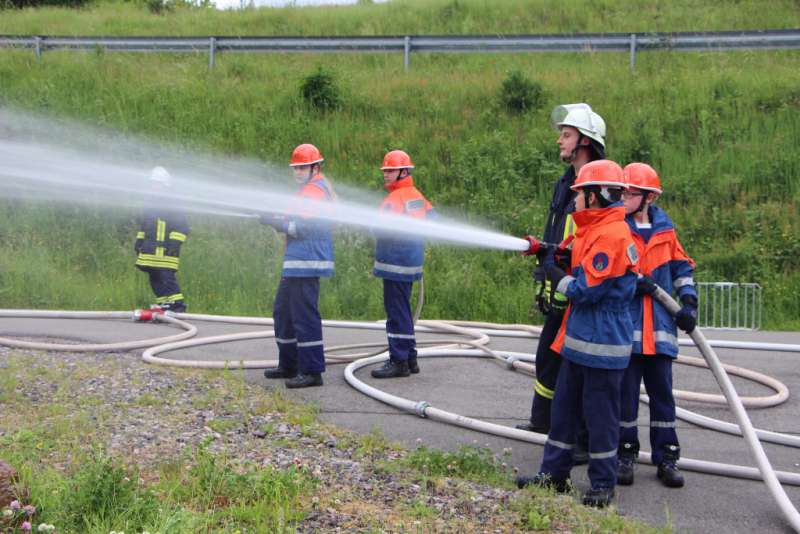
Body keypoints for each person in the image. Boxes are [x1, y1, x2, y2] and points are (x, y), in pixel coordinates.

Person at [516, 159, 638, 509]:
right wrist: (548, 251)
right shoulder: (592, 228)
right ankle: (554, 475)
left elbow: (586, 290)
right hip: (578, 342)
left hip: (602, 345)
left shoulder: (613, 235)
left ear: (596, 195)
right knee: (563, 413)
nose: (574, 201)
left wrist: (554, 273)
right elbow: (575, 255)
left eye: (579, 194)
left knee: (600, 420)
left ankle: (602, 484)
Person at [518, 103, 607, 463]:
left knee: (579, 365)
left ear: (585, 141)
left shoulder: (597, 184)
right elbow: (556, 234)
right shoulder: (566, 183)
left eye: (566, 135)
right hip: (561, 279)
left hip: (582, 285)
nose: (560, 140)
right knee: (548, 358)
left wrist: (563, 277)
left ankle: (584, 440)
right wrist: (545, 278)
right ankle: (544, 422)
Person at [616, 162, 697, 488]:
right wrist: (632, 283)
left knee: (663, 398)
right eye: (621, 191)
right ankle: (625, 455)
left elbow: (682, 268)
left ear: (647, 197)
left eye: (630, 192)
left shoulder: (665, 231)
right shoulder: (619, 228)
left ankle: (667, 458)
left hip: (661, 331)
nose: (623, 197)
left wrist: (688, 302)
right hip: (628, 331)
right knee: (626, 398)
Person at [261, 144, 335, 389]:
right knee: (283, 312)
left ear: (316, 167)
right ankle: (289, 364)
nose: (298, 171)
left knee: (304, 317)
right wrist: (276, 218)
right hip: (296, 262)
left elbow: (301, 227)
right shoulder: (307, 191)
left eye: (302, 167)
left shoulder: (314, 192)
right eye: (296, 167)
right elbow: (293, 219)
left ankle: (312, 371)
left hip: (306, 261)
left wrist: (276, 223)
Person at [370, 150, 436, 379]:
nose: (386, 174)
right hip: (411, 263)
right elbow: (433, 220)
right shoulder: (416, 195)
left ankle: (398, 360)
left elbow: (381, 228)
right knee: (403, 311)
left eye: (390, 170)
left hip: (395, 264)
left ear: (404, 171)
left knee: (396, 313)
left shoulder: (394, 199)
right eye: (385, 170)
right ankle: (410, 357)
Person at [134, 166, 189, 312]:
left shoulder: (173, 203)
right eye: (152, 183)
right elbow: (145, 225)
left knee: (166, 277)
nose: (154, 186)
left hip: (166, 251)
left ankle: (177, 306)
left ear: (165, 186)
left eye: (157, 184)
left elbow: (182, 227)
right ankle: (164, 304)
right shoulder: (150, 203)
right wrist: (139, 241)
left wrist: (174, 244)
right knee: (155, 278)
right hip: (150, 250)